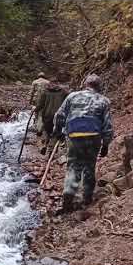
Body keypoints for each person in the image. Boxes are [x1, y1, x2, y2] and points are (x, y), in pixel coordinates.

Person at [53, 74, 113, 213]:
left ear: (85, 84)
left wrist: (58, 132)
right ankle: (87, 198)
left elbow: (59, 116)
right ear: (99, 86)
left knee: (73, 167)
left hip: (75, 135)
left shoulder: (72, 96)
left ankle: (68, 196)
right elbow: (107, 125)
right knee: (89, 167)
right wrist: (106, 144)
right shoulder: (104, 101)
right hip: (94, 136)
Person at [34, 79, 68, 155]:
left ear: (49, 84)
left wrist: (35, 110)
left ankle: (45, 144)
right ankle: (51, 149)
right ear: (58, 84)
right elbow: (67, 102)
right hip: (58, 115)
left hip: (47, 115)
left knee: (46, 130)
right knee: (56, 132)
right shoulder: (63, 92)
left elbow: (40, 105)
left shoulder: (45, 92)